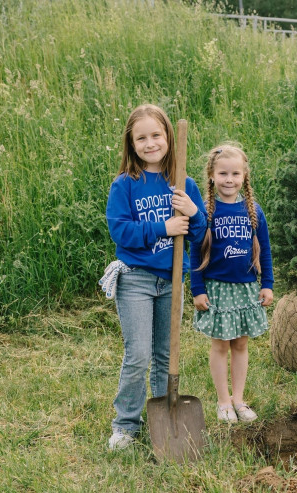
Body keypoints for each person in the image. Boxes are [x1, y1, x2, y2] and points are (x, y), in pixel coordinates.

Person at [100, 104, 207, 450]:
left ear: (168, 137)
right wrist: (164, 226)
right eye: (141, 137)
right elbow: (120, 231)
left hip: (172, 281)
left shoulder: (183, 182)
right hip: (135, 279)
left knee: (165, 355)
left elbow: (200, 233)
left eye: (156, 135)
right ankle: (125, 425)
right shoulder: (126, 185)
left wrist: (192, 212)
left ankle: (163, 419)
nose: (150, 143)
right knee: (138, 355)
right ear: (131, 143)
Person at [190, 143, 274, 424]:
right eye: (223, 173)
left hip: (246, 287)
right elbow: (195, 251)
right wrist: (198, 289)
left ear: (244, 176)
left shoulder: (253, 212)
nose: (229, 180)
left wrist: (267, 284)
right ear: (212, 176)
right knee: (221, 346)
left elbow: (265, 249)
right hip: (217, 289)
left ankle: (239, 399)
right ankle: (223, 401)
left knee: (240, 345)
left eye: (235, 174)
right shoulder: (205, 213)